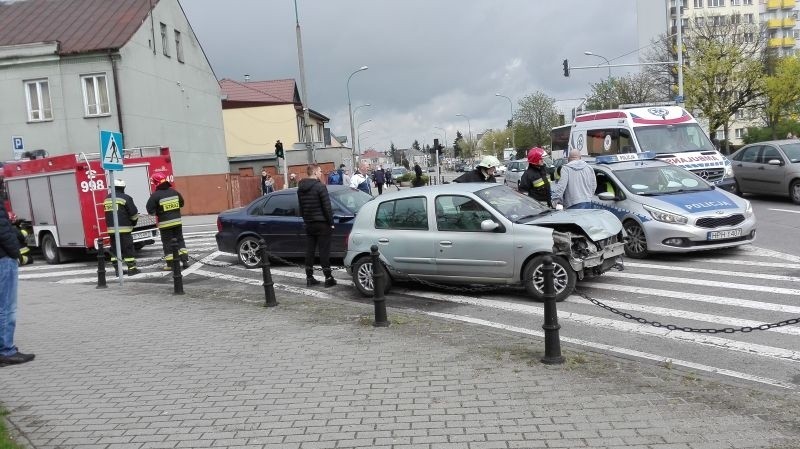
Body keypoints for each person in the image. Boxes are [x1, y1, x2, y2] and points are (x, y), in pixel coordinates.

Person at [0, 200, 35, 366]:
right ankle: (6, 351)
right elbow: (3, 229)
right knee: (7, 307)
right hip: (3, 258)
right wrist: (15, 252)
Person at [297, 164, 336, 288]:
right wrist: (331, 223)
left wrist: (306, 219)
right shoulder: (320, 187)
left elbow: (301, 208)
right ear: (314, 172)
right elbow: (327, 207)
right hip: (322, 223)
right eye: (319, 171)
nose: (321, 173)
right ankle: (328, 278)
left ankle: (309, 277)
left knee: (310, 251)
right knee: (324, 251)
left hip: (309, 223)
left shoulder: (300, 188)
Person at [146, 172, 189, 271]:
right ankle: (185, 261)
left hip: (165, 224)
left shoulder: (155, 196)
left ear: (156, 183)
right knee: (180, 240)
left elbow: (150, 210)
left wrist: (158, 212)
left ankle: (171, 264)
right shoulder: (174, 192)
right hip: (177, 222)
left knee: (167, 243)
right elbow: (181, 204)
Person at [103, 178, 140, 276]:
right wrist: (134, 222)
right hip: (124, 230)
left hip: (112, 230)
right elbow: (134, 213)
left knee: (115, 250)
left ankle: (118, 271)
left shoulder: (107, 199)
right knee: (128, 249)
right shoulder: (126, 198)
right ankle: (132, 269)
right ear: (123, 187)